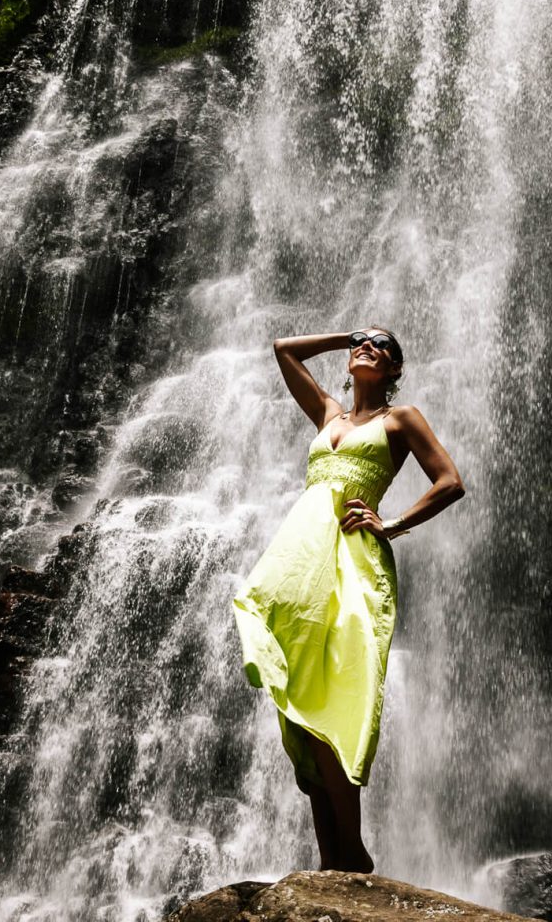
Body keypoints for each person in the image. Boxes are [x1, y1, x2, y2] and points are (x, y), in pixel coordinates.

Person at [232, 327, 465, 873]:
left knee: (340, 695)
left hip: (355, 563)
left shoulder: (400, 418)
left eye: (382, 346)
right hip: (300, 562)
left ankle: (353, 851)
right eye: (364, 343)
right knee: (303, 704)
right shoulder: (329, 415)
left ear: (393, 371)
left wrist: (393, 524)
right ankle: (330, 860)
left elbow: (450, 481)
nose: (368, 347)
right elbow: (283, 349)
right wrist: (349, 335)